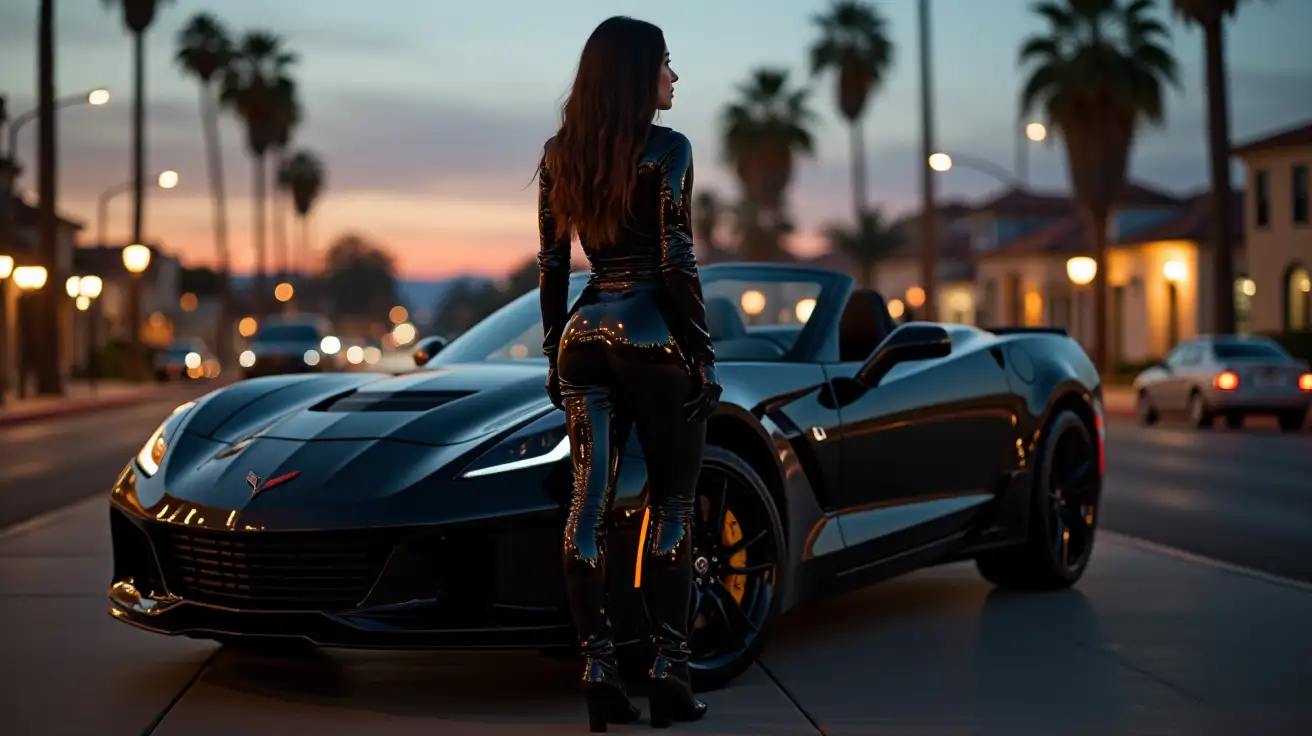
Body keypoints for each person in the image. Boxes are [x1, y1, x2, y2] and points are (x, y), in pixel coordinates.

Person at [536, 15, 721, 733]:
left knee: (589, 510)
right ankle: (671, 672)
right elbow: (677, 261)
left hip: (584, 331)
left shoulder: (560, 154)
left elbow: (552, 267)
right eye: (666, 65)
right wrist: (702, 353)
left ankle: (598, 670)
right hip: (653, 334)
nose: (675, 79)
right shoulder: (670, 149)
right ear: (638, 74)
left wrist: (556, 350)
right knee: (672, 506)